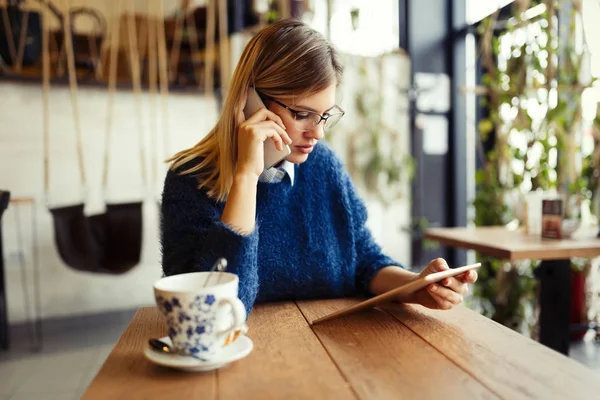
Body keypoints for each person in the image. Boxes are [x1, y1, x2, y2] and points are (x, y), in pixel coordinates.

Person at [160, 18, 477, 315]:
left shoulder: (323, 165)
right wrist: (246, 178)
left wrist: (415, 286)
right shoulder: (189, 180)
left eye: (325, 115)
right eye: (301, 115)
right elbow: (212, 311)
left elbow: (363, 260)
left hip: (336, 356)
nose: (318, 133)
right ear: (249, 99)